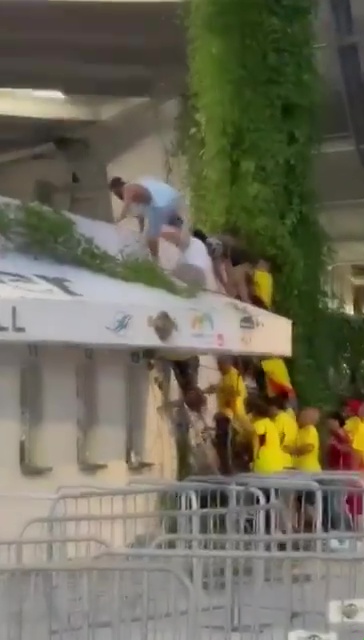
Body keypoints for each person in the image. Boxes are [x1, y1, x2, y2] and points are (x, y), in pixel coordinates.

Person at [109, 176, 185, 260]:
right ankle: (182, 243)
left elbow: (126, 205)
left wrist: (118, 221)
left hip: (160, 202)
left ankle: (155, 261)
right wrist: (141, 231)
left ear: (117, 187)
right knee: (162, 229)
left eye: (114, 192)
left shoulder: (127, 188)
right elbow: (140, 216)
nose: (116, 195)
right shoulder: (137, 189)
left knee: (151, 237)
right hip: (170, 197)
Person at [203, 356, 247, 474]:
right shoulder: (225, 377)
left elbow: (234, 395)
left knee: (225, 446)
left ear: (227, 364)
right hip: (224, 414)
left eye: (220, 365)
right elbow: (222, 388)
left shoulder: (234, 376)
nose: (218, 368)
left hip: (230, 416)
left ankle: (227, 470)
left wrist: (225, 412)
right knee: (220, 445)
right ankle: (224, 468)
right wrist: (215, 388)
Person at [293, 408, 321, 531]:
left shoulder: (310, 430)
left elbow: (309, 447)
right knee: (299, 502)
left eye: (304, 415)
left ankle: (313, 526)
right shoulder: (300, 430)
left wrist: (293, 450)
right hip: (299, 471)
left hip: (309, 472)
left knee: (308, 503)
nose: (300, 417)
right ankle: (302, 526)